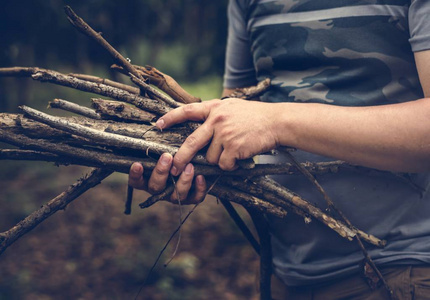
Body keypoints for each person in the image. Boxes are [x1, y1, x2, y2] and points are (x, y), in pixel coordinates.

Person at [129, 1, 430, 299]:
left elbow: (264, 121)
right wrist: (184, 163)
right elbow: (240, 116)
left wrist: (276, 122)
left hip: (401, 271)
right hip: (285, 276)